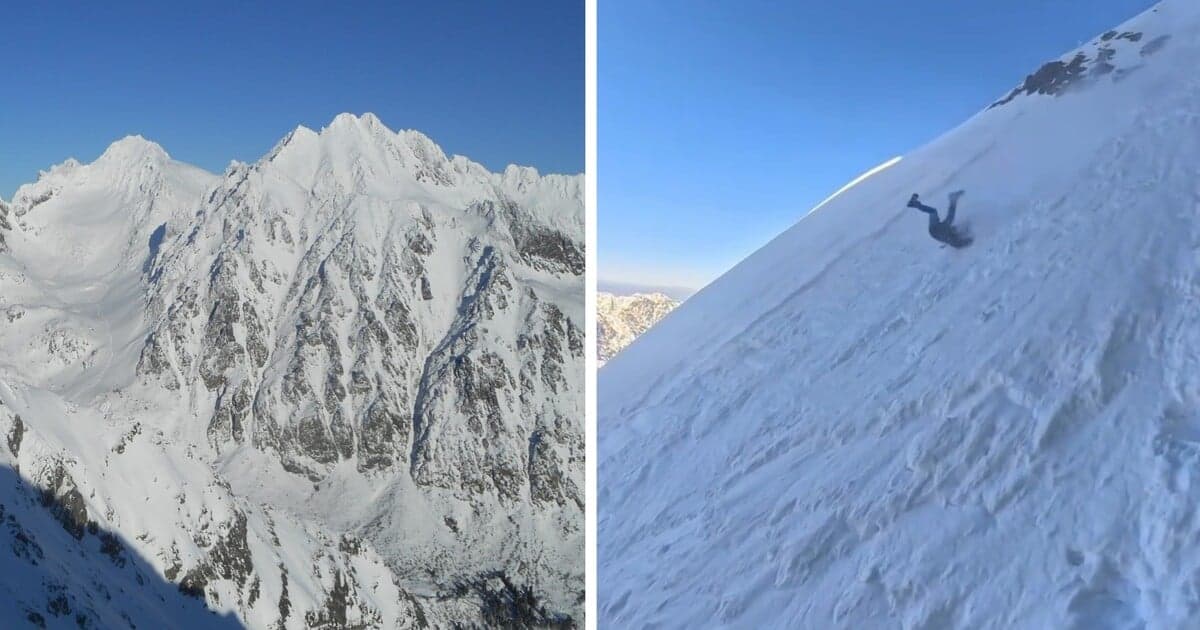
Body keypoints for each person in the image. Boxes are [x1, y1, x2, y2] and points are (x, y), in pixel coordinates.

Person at [907, 190, 972, 248]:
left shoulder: (954, 240)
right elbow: (961, 241)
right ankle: (953, 199)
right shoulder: (953, 236)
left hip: (935, 230)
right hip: (939, 229)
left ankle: (953, 199)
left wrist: (969, 240)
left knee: (935, 213)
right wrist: (968, 238)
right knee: (941, 215)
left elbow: (959, 244)